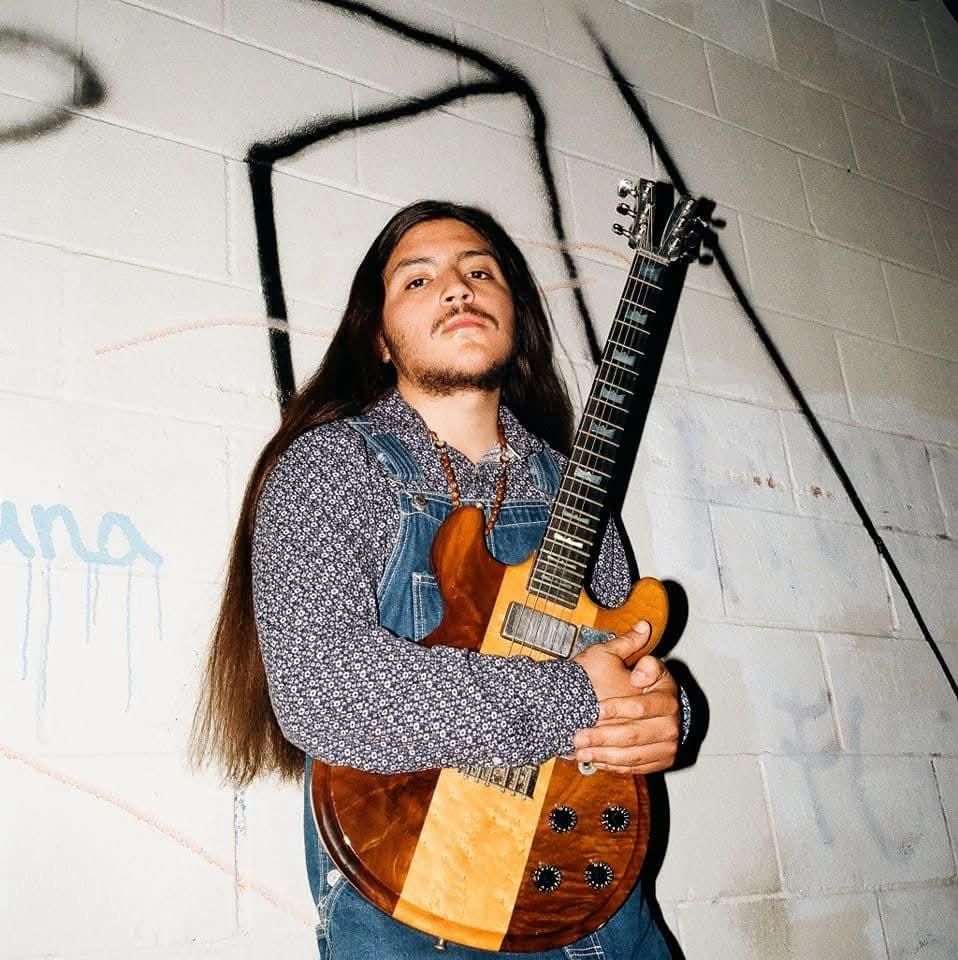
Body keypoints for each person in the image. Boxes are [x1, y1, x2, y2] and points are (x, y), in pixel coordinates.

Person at [192, 200, 687, 960]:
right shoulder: (331, 467)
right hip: (419, 906)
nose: (458, 287)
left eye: (480, 272)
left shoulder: (575, 488)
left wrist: (665, 710)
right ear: (379, 337)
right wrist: (580, 698)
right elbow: (325, 690)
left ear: (515, 316)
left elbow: (626, 656)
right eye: (418, 280)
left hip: (597, 905)